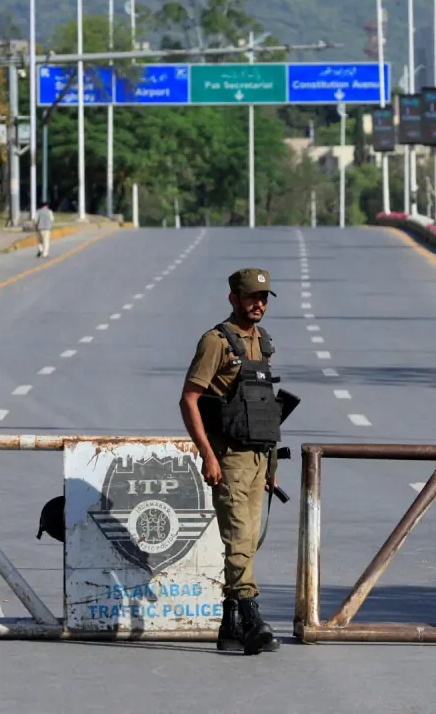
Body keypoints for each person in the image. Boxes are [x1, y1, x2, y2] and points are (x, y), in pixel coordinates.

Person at [179, 268, 283, 655]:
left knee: (247, 541)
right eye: (251, 297)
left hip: (258, 457)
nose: (258, 304)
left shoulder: (263, 342)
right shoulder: (216, 342)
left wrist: (272, 465)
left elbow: (263, 407)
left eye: (264, 298)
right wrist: (207, 453)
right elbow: (189, 399)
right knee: (239, 538)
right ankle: (251, 615)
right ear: (233, 299)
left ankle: (230, 623)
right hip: (230, 457)